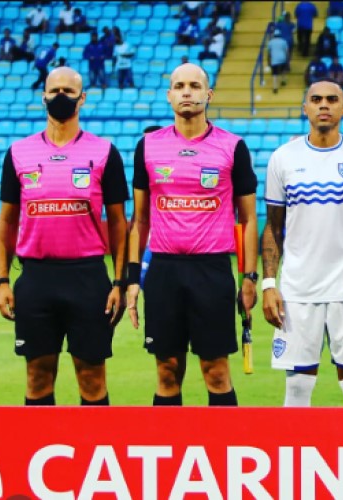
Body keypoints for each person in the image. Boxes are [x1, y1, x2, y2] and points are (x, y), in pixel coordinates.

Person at [0, 66, 129, 406]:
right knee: (37, 377)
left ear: (82, 98)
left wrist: (119, 282)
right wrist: (2, 281)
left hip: (88, 278)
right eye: (54, 91)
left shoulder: (105, 152)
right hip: (36, 278)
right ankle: (40, 442)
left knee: (92, 379)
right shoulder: (18, 153)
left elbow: (118, 223)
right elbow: (6, 222)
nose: (60, 97)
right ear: (43, 96)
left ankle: (94, 442)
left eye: (68, 91)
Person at [126, 63, 258, 407]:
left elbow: (247, 219)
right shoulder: (147, 147)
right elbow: (139, 220)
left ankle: (221, 442)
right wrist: (132, 279)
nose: (187, 92)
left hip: (212, 271)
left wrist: (249, 278)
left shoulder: (233, 147)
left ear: (208, 94)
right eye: (180, 86)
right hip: (164, 271)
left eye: (195, 86)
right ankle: (170, 442)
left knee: (216, 372)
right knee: (167, 370)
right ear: (169, 95)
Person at [261, 78, 343, 407]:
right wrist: (269, 284)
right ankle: (296, 445)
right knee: (297, 389)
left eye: (332, 100)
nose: (323, 105)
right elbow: (273, 228)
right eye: (316, 99)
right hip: (297, 290)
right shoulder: (283, 158)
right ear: (305, 107)